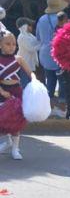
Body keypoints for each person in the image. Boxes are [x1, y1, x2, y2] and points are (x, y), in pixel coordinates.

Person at [0, 30, 33, 159]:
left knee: (16, 121)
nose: (12, 46)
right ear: (0, 45)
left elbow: (30, 73)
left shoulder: (18, 59)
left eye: (14, 44)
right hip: (2, 91)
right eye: (8, 43)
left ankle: (15, 149)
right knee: (3, 120)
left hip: (16, 91)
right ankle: (7, 142)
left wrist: (35, 81)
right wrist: (2, 91)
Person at [36, 0, 65, 118]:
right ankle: (62, 107)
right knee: (62, 81)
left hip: (44, 54)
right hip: (58, 54)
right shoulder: (61, 19)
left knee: (50, 80)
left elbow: (38, 37)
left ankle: (48, 106)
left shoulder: (42, 19)